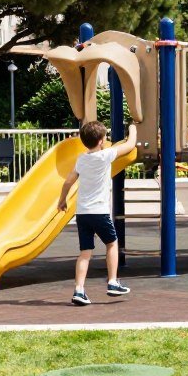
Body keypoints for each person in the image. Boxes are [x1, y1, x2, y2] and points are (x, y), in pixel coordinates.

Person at [58, 121, 137, 306]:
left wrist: (62, 200)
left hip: (82, 213)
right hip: (99, 212)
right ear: (101, 141)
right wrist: (133, 128)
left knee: (85, 253)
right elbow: (130, 145)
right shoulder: (105, 155)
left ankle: (79, 290)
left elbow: (68, 182)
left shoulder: (81, 159)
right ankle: (112, 282)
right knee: (112, 244)